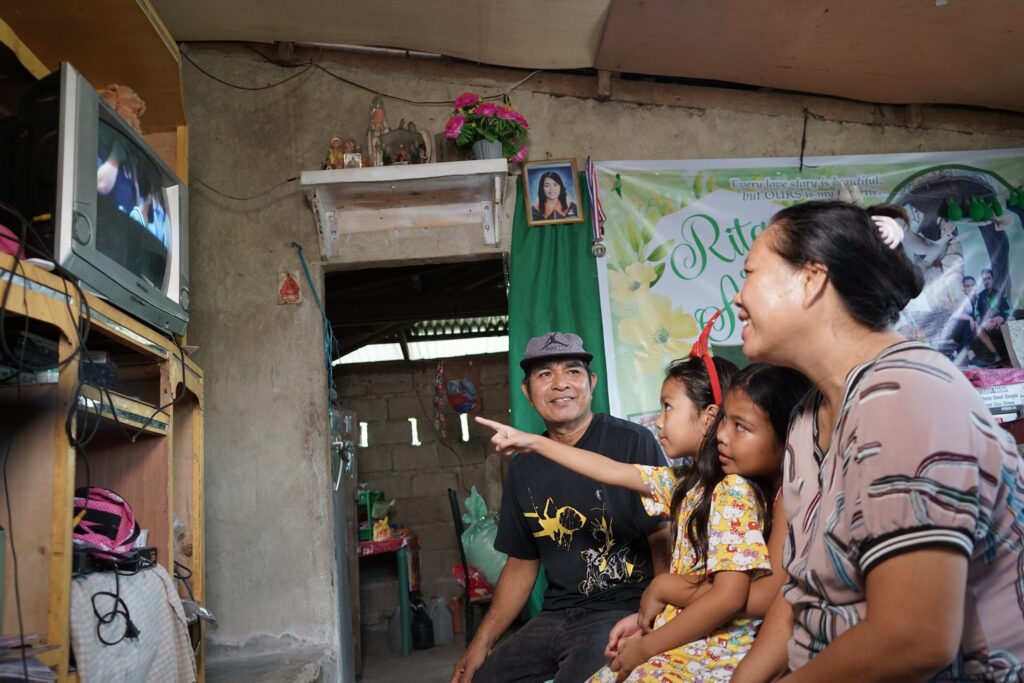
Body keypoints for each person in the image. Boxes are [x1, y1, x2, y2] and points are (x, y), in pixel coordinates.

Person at [729, 201, 1024, 682]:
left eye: (750, 273)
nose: (738, 298)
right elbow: (803, 592)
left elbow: (914, 637)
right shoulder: (807, 419)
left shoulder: (906, 397)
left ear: (811, 280)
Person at [478, 358, 810, 683]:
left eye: (668, 407)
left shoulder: (731, 491)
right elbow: (609, 469)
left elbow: (729, 597)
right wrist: (535, 442)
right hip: (688, 627)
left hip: (714, 645)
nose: (660, 422)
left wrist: (655, 618)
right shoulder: (686, 483)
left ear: (708, 418)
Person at [450, 332, 670, 683]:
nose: (560, 384)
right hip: (555, 615)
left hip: (620, 609)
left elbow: (662, 534)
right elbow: (522, 563)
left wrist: (658, 620)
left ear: (591, 382)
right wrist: (482, 641)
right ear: (527, 392)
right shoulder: (523, 466)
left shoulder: (632, 441)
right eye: (544, 375)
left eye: (572, 371)